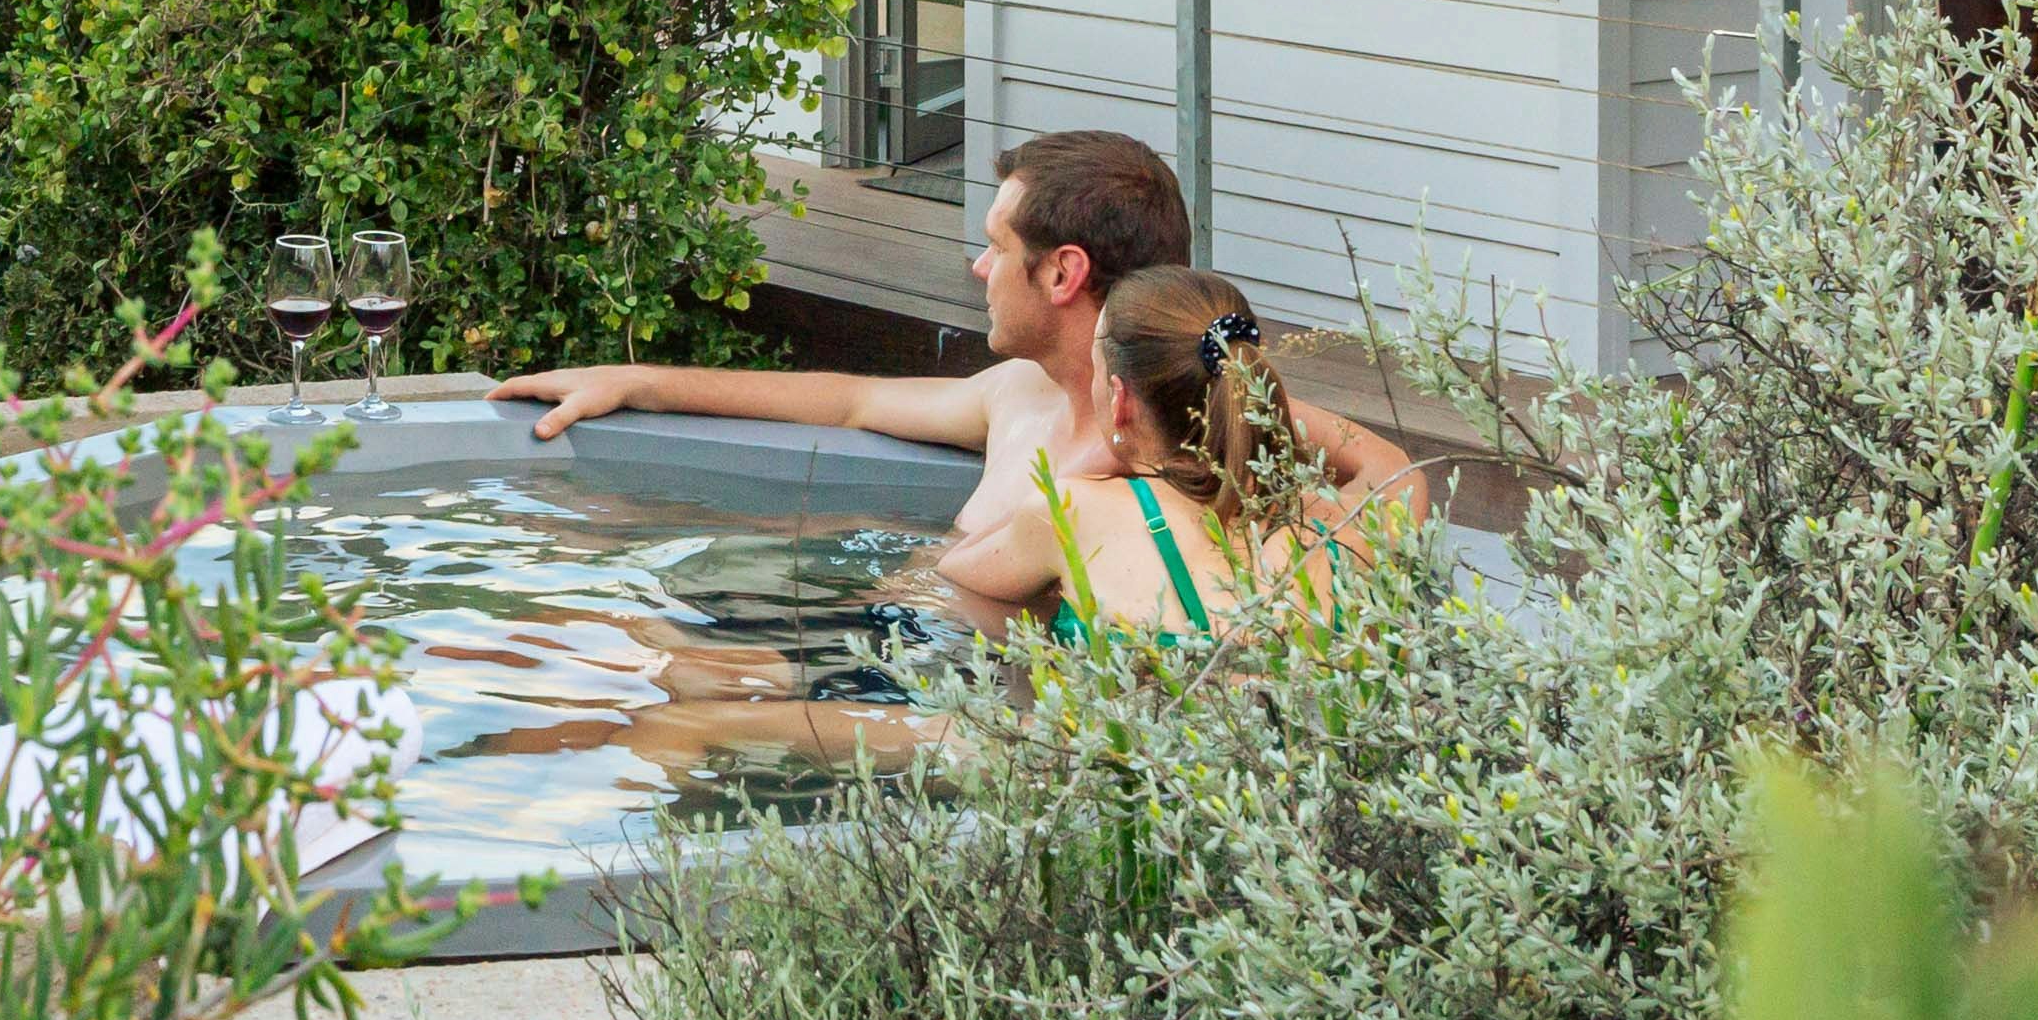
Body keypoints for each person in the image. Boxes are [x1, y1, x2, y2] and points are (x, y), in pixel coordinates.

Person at [486, 128, 1414, 623]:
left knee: (649, 662)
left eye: (996, 247)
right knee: (621, 624)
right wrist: (637, 382)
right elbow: (849, 399)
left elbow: (1391, 475)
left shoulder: (1191, 438)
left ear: (1062, 272)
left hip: (954, 711)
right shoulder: (1017, 397)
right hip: (882, 632)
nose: (978, 268)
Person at [952, 265, 1411, 639]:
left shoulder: (1071, 511)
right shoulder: (1350, 525)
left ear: (1120, 399)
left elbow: (955, 569)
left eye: (1096, 369)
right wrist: (1264, 409)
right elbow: (1394, 467)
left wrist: (1103, 452)